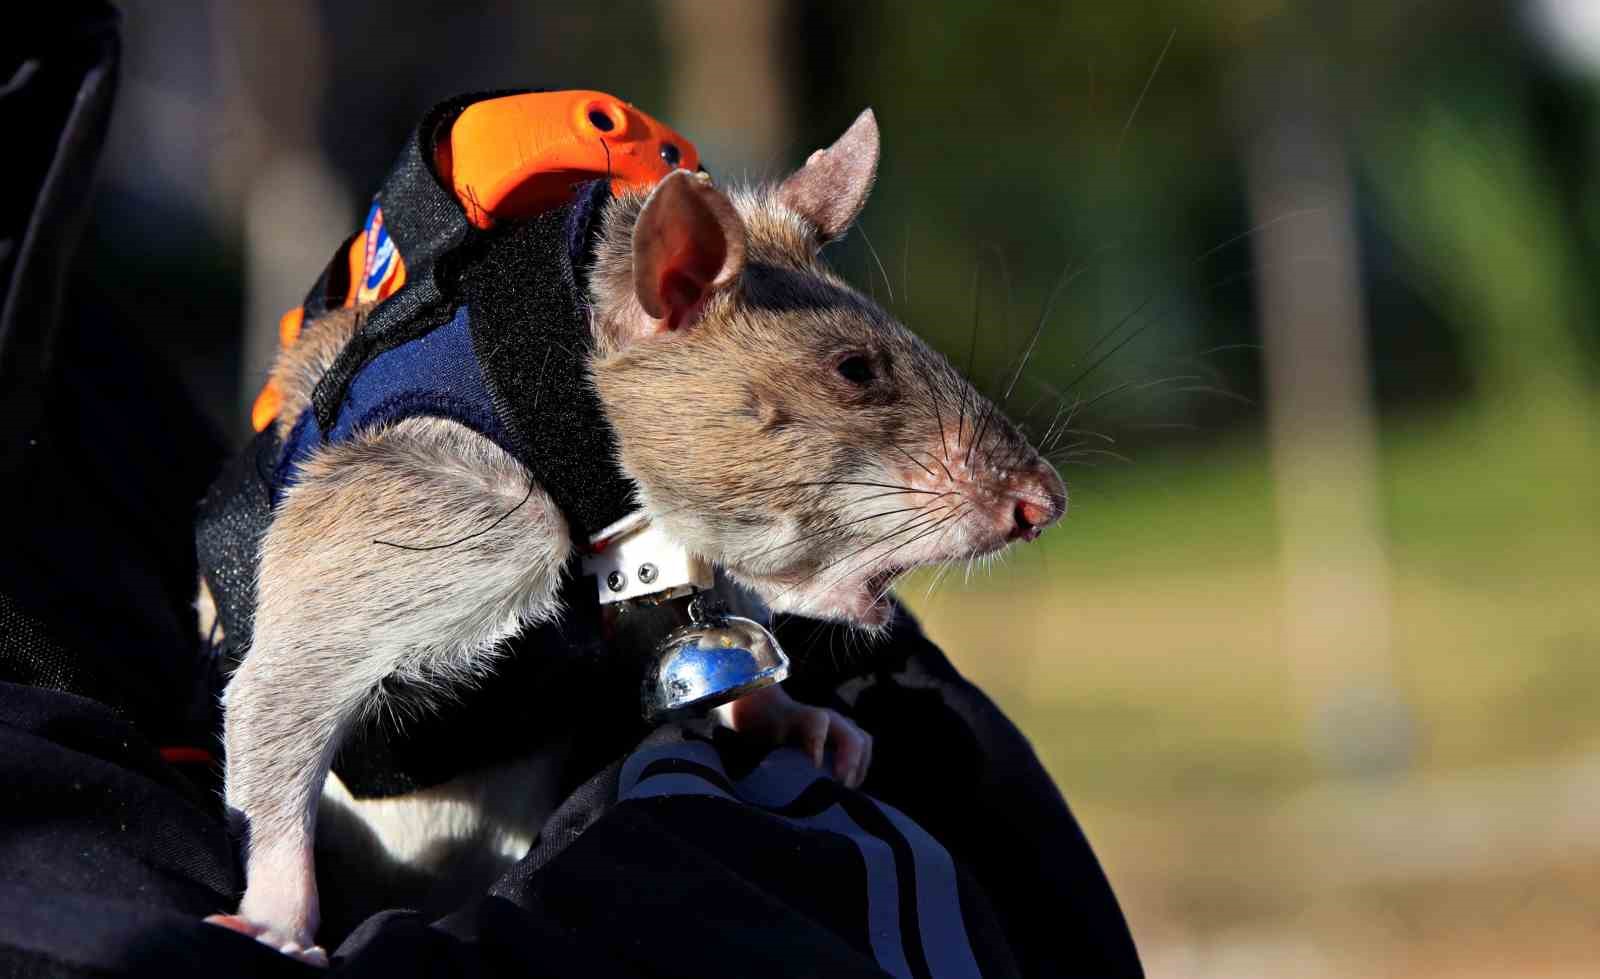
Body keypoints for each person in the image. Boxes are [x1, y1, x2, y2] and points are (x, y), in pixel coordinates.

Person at [0, 5, 1142, 975]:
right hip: (373, 879)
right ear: (674, 290)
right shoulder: (453, 465)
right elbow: (274, 692)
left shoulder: (608, 429)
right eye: (854, 377)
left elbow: (659, 557)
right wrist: (277, 896)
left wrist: (744, 694)